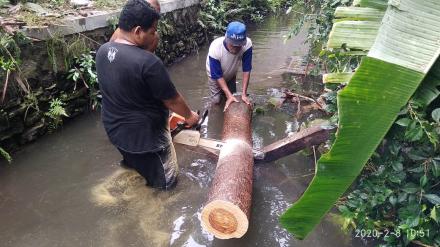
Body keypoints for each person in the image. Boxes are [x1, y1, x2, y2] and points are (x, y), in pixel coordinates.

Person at [96, 0, 199, 190]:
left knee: (136, 166)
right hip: (147, 142)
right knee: (167, 184)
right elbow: (173, 100)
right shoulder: (148, 63)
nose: (154, 36)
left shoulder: (102, 52)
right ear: (137, 31)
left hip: (116, 134)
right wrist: (190, 116)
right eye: (152, 32)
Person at [206, 21, 253, 111]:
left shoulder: (247, 45)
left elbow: (247, 69)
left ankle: (228, 103)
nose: (235, 49)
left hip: (231, 71)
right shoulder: (215, 48)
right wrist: (228, 95)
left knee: (232, 95)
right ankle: (217, 114)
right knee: (216, 100)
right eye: (233, 45)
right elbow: (217, 75)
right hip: (214, 75)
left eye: (239, 46)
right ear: (226, 38)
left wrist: (244, 94)